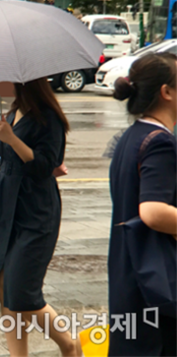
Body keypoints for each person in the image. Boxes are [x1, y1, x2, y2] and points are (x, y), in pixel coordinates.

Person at [0, 79, 81, 356]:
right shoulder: (12, 112)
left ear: (23, 81)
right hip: (6, 209)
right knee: (1, 283)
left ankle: (69, 344)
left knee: (21, 291)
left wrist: (12, 139)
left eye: (5, 77)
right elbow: (9, 159)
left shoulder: (48, 117)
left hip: (35, 212)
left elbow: (46, 165)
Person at [108, 53, 176, 356]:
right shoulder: (160, 142)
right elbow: (153, 211)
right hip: (157, 281)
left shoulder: (131, 137)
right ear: (167, 92)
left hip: (129, 273)